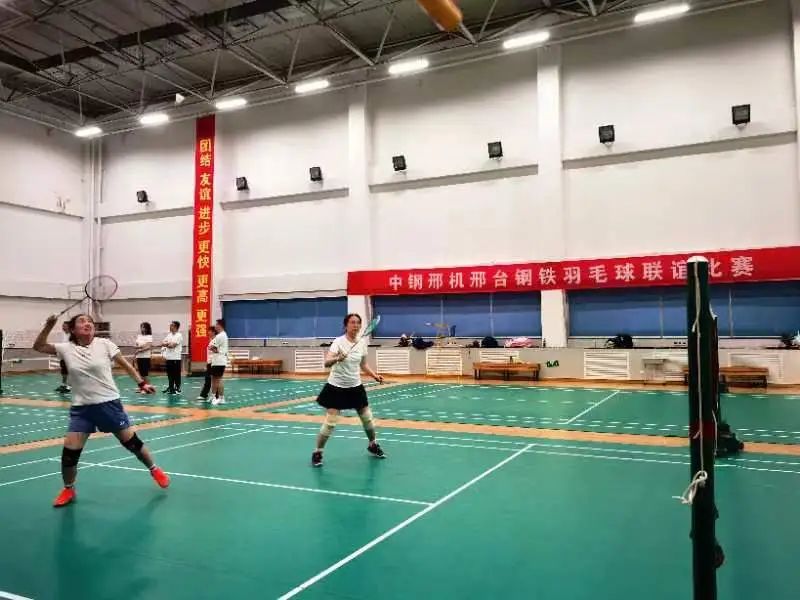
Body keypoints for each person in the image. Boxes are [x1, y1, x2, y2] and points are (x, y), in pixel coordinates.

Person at [33, 313, 170, 507]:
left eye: (90, 321)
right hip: (82, 409)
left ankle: (154, 469)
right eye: (82, 321)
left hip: (108, 404)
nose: (87, 323)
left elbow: (125, 365)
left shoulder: (105, 344)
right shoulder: (65, 348)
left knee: (133, 444)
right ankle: (68, 488)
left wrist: (142, 383)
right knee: (69, 455)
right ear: (72, 329)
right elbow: (38, 346)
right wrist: (49, 325)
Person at [311, 313, 385, 467]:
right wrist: (337, 358)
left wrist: (375, 376)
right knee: (330, 423)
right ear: (346, 325)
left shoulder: (362, 343)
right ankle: (317, 452)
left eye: (358, 323)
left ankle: (372, 444)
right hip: (336, 387)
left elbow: (363, 364)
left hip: (355, 387)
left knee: (368, 419)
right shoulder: (338, 342)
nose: (355, 325)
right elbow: (326, 363)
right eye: (352, 322)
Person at [207, 319, 229, 406]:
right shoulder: (221, 335)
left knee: (218, 380)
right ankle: (214, 397)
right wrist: (213, 348)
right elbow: (212, 347)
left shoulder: (221, 336)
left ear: (220, 325)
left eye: (216, 324)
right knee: (215, 379)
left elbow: (212, 347)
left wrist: (213, 348)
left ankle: (221, 398)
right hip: (216, 361)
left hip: (219, 361)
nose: (215, 326)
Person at [160, 321, 183, 394]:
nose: (170, 327)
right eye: (170, 325)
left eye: (172, 325)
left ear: (176, 327)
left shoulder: (179, 335)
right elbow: (162, 343)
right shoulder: (169, 335)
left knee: (176, 374)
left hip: (175, 358)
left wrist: (167, 344)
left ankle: (177, 388)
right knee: (170, 375)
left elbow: (172, 346)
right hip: (168, 358)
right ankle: (171, 388)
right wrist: (168, 344)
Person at [133, 322, 153, 393]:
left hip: (145, 357)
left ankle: (149, 388)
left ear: (147, 328)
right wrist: (138, 348)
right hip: (139, 356)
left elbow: (148, 347)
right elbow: (137, 345)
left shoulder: (149, 336)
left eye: (144, 327)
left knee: (145, 374)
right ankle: (142, 388)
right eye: (141, 327)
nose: (142, 328)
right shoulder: (139, 336)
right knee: (140, 374)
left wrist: (140, 349)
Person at [55, 321, 71, 394]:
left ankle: (69, 387)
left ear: (69, 326)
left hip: (70, 357)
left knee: (70, 372)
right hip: (63, 357)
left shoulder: (72, 335)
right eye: (63, 326)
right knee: (64, 372)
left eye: (64, 326)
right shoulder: (63, 335)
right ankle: (63, 385)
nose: (63, 327)